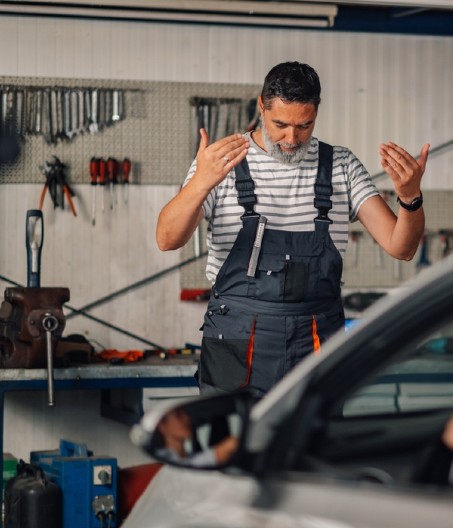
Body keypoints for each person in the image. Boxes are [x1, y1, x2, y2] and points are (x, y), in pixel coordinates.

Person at [156, 62, 429, 395]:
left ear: (316, 113)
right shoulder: (221, 162)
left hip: (316, 341)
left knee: (312, 428)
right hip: (236, 340)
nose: (291, 138)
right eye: (280, 125)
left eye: (304, 125)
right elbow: (167, 239)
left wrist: (410, 198)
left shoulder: (341, 165)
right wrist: (200, 183)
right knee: (231, 429)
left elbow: (402, 248)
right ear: (262, 106)